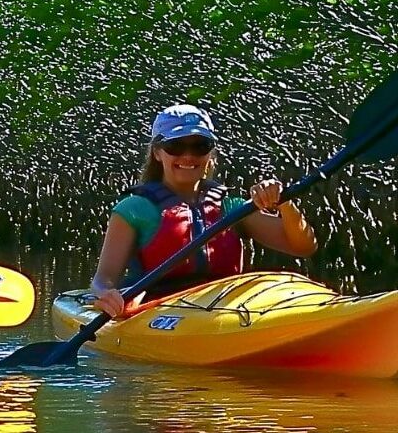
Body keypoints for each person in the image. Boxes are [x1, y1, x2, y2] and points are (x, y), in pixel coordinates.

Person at [90, 104, 317, 317]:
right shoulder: (134, 209)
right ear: (157, 153)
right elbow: (103, 279)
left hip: (227, 307)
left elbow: (303, 246)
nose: (188, 156)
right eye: (175, 146)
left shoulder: (232, 207)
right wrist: (106, 294)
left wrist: (284, 202)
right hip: (159, 308)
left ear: (210, 154)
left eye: (199, 146)